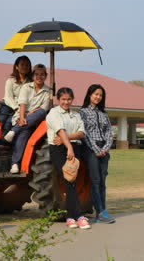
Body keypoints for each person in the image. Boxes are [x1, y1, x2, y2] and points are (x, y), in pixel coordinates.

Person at [47, 87, 91, 229]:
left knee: (72, 182)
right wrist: (68, 147)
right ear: (58, 99)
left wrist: (68, 140)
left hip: (74, 147)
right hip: (59, 150)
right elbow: (60, 131)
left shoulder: (76, 115)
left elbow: (81, 133)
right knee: (68, 180)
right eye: (63, 99)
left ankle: (70, 217)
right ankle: (79, 216)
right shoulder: (53, 113)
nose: (66, 102)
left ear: (72, 99)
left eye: (69, 99)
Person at [4, 63, 50, 173]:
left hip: (36, 120)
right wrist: (22, 117)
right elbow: (22, 103)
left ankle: (14, 131)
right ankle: (15, 164)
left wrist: (29, 114)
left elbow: (44, 108)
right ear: (33, 75)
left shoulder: (48, 91)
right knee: (24, 132)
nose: (39, 77)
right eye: (37, 74)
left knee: (41, 112)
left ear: (46, 76)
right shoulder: (26, 87)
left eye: (42, 74)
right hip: (22, 117)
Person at [80, 84, 115, 224]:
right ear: (90, 95)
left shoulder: (104, 114)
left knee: (102, 182)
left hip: (104, 149)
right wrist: (96, 149)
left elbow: (109, 133)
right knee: (95, 181)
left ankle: (103, 210)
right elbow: (85, 133)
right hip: (90, 150)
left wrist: (105, 148)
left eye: (100, 95)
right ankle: (99, 212)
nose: (98, 97)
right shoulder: (82, 113)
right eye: (96, 94)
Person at [0, 56, 32, 135]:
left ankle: (5, 141)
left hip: (24, 107)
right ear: (16, 67)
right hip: (10, 106)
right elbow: (8, 97)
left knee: (9, 123)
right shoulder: (10, 81)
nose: (25, 67)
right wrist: (17, 108)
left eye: (27, 65)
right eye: (22, 64)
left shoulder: (31, 83)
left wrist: (21, 109)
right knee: (1, 121)